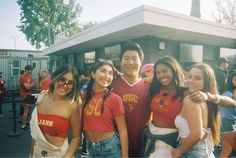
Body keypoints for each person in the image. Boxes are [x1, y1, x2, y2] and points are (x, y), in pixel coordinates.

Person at [29, 64, 82, 158]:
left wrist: (68, 155)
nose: (65, 85)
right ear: (54, 78)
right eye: (62, 80)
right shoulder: (41, 98)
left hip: (58, 154)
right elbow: (35, 134)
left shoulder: (73, 106)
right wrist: (30, 154)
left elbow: (77, 137)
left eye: (70, 83)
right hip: (37, 152)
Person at [171, 63, 221, 157]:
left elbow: (196, 134)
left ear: (206, 82)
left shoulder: (190, 100)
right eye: (190, 77)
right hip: (201, 149)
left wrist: (178, 151)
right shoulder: (206, 99)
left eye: (197, 78)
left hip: (190, 151)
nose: (191, 81)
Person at [112, 40, 151, 157]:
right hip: (114, 146)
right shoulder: (111, 84)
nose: (130, 62)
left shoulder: (150, 86)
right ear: (121, 61)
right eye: (126, 58)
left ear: (141, 61)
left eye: (134, 58)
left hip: (143, 146)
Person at [83, 59, 128, 157]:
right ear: (93, 74)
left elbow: (123, 131)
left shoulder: (115, 99)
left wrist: (125, 156)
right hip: (90, 147)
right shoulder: (85, 97)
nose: (107, 76)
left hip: (110, 148)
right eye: (103, 71)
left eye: (110, 73)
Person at [143, 56, 186, 158]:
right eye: (157, 72)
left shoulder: (185, 92)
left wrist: (212, 97)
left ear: (174, 69)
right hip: (150, 137)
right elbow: (138, 81)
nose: (161, 75)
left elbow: (227, 101)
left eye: (165, 70)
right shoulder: (156, 87)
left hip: (169, 141)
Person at [219, 70, 236, 157]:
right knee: (227, 149)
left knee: (226, 150)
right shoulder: (228, 93)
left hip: (230, 122)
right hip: (227, 122)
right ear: (231, 81)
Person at [19, 65, 34, 130]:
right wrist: (31, 85)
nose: (31, 72)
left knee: (28, 110)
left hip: (28, 95)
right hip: (24, 95)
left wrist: (30, 85)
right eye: (31, 71)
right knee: (26, 110)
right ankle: (23, 125)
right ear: (28, 70)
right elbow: (27, 87)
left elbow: (31, 85)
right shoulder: (23, 77)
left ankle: (27, 123)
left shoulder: (28, 77)